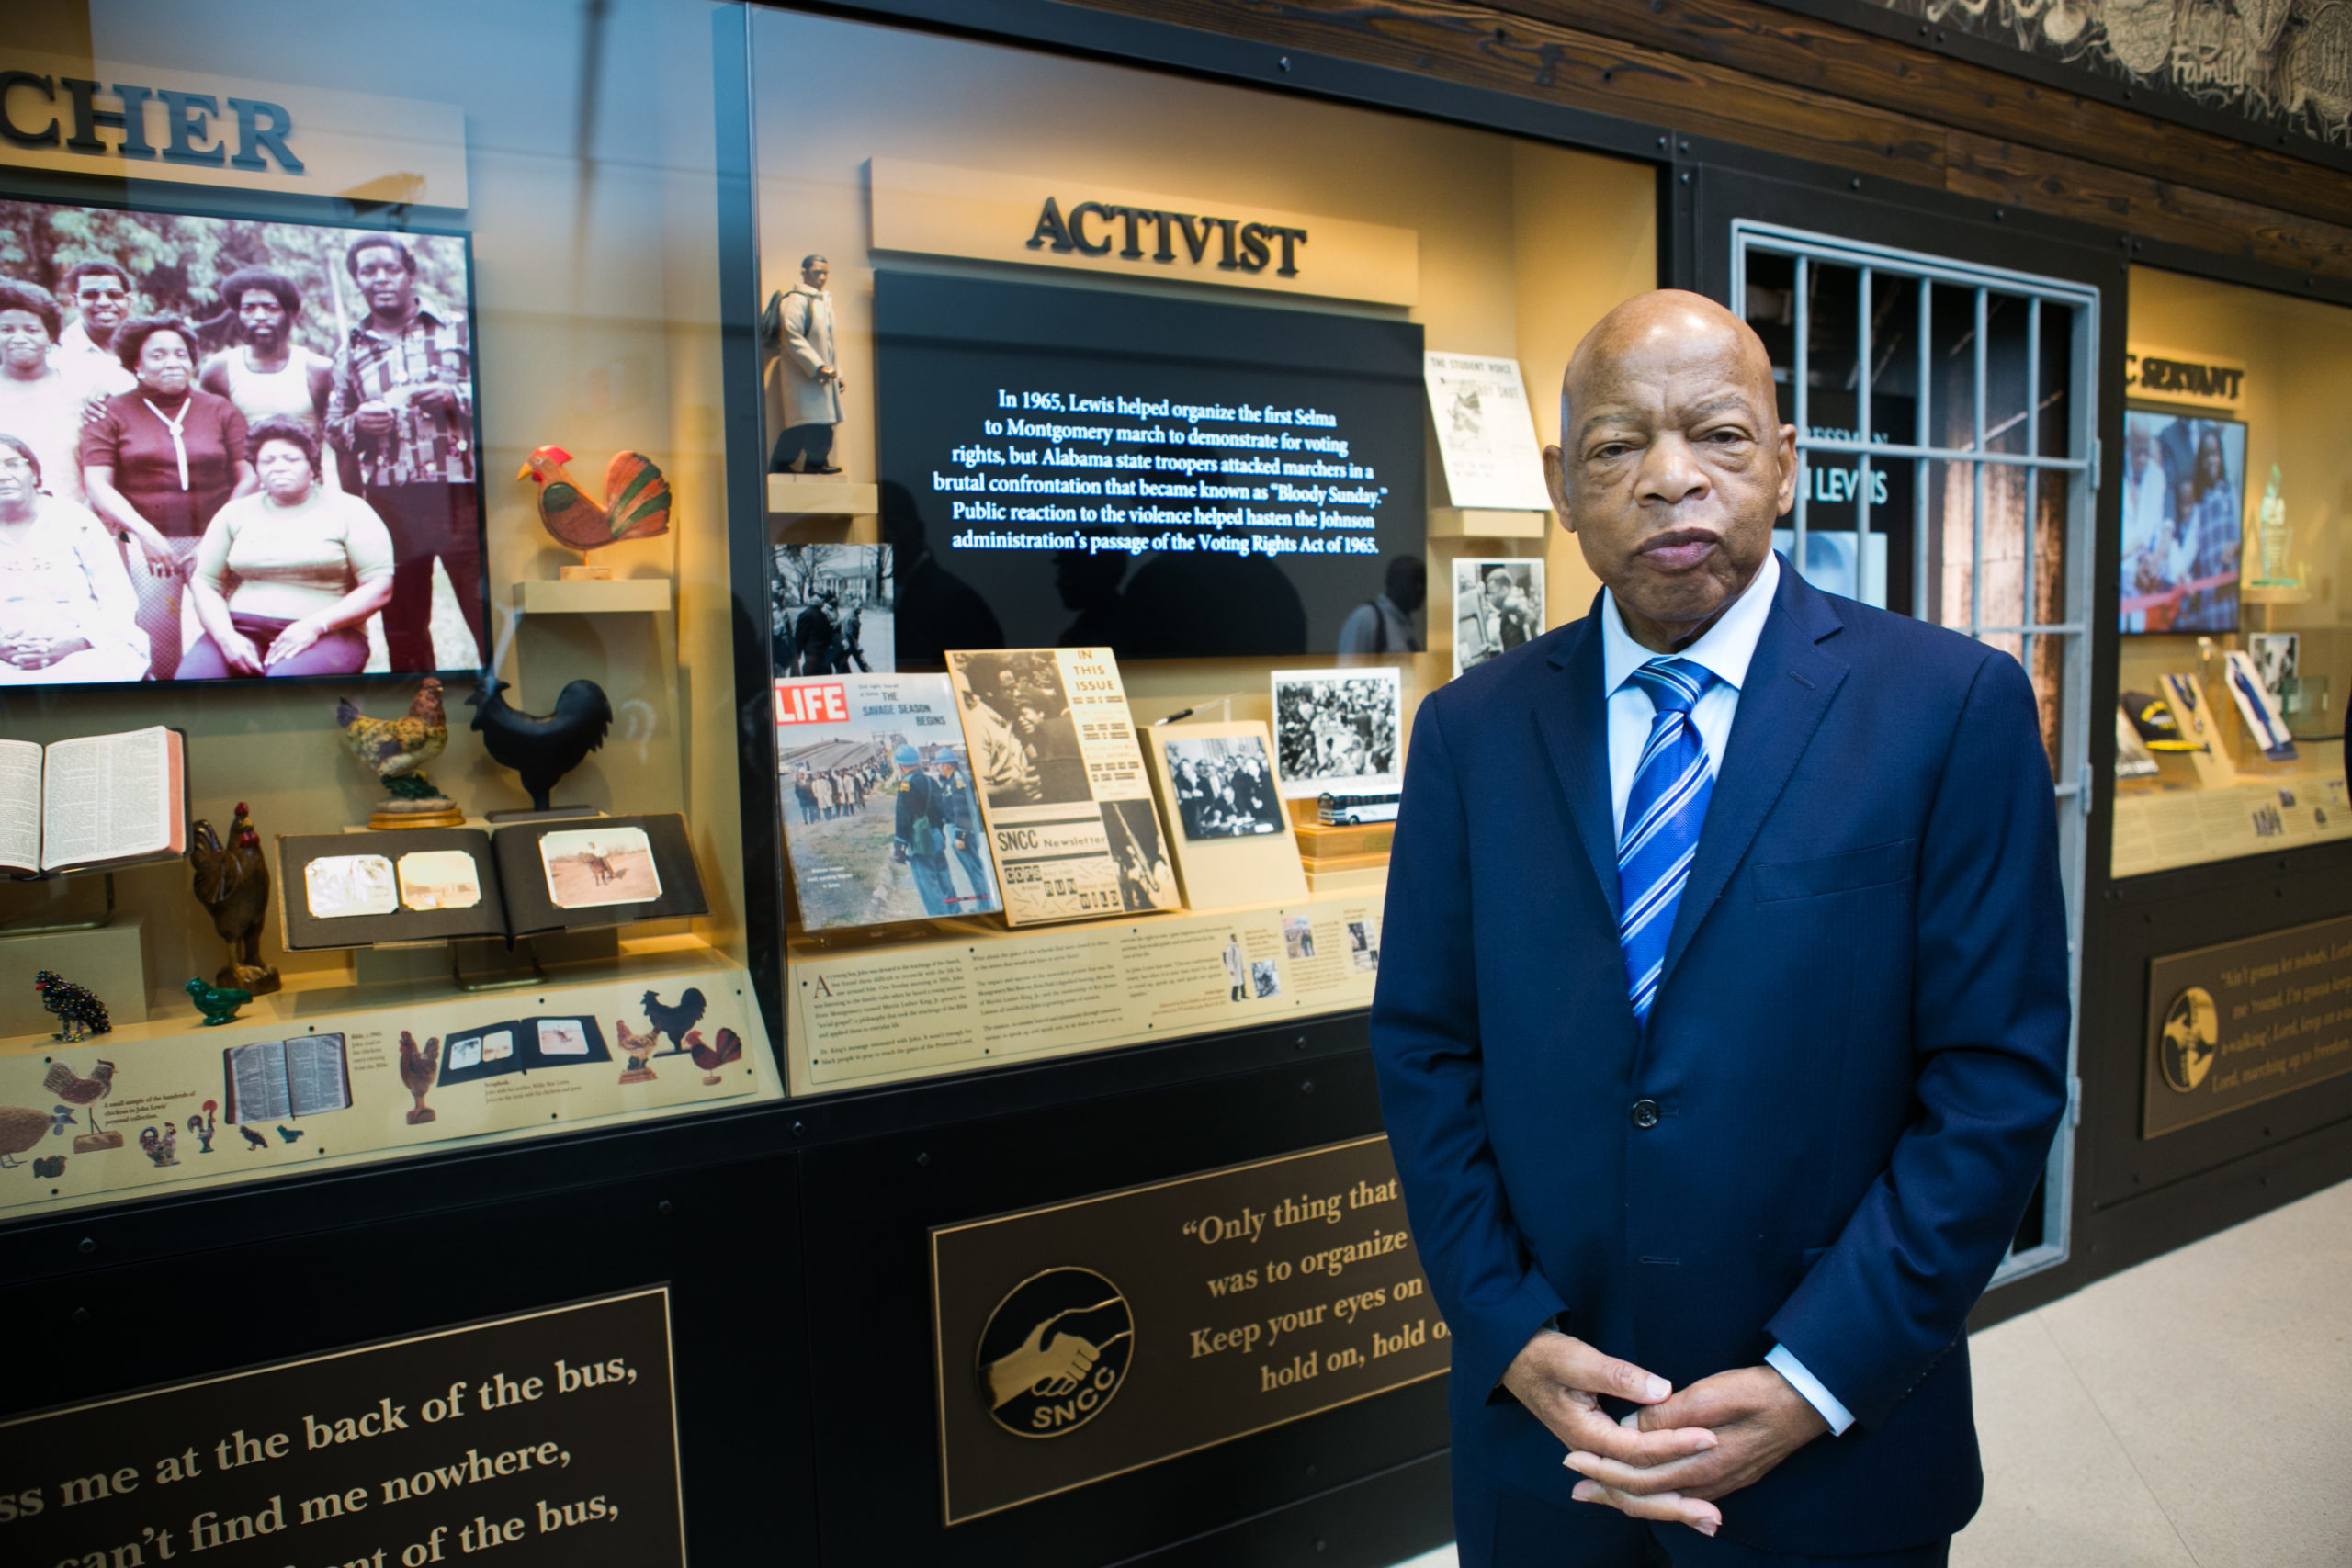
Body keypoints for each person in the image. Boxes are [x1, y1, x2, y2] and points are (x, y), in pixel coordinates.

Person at [1371, 290, 2067, 1566]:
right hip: (1549, 1442)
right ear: (1563, 485)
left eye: (1721, 435)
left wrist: (1819, 1371)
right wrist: (1505, 1325)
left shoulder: (1948, 707)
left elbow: (1996, 1081)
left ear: (1788, 464)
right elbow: (1426, 1048)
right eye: (1616, 444)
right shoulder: (1469, 734)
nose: (1670, 478)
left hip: (1837, 1445)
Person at [326, 233, 485, 673]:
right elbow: (333, 429)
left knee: (485, 610)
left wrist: (457, 396)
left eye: (390, 268)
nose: (380, 279)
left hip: (463, 495)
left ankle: (505, 707)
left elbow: (509, 394)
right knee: (405, 623)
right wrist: (358, 424)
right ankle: (420, 720)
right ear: (357, 281)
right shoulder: (351, 352)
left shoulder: (459, 329)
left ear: (410, 273)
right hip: (392, 504)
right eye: (367, 271)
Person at [79, 315, 254, 679]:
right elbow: (97, 483)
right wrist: (146, 535)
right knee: (155, 633)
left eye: (180, 353)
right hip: (139, 537)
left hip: (218, 535)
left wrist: (215, 536)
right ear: (136, 364)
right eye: (157, 355)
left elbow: (249, 475)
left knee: (237, 627)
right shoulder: (109, 411)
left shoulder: (219, 408)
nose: (172, 362)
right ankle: (164, 707)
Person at [179, 417, 393, 678]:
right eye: (267, 461)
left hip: (328, 632)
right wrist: (225, 637)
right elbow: (205, 581)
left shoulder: (350, 510)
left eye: (291, 459)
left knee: (283, 684)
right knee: (193, 682)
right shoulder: (235, 513)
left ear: (312, 467)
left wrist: (315, 626)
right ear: (256, 469)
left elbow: (379, 586)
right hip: (240, 629)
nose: (278, 467)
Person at [0, 434, 147, 683]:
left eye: (13, 464)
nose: (3, 475)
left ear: (35, 474)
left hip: (83, 650)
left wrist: (79, 642)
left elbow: (118, 600)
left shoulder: (75, 520)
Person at [198, 267, 335, 478]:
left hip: (305, 487)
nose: (260, 316)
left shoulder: (317, 369)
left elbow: (335, 441)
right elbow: (210, 440)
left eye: (271, 308)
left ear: (289, 313)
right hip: (243, 489)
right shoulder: (219, 370)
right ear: (238, 314)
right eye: (249, 309)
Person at [0, 280, 89, 504]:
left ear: (50, 337)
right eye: (6, 330)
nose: (19, 339)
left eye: (31, 330)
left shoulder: (81, 390)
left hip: (73, 517)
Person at [771, 254, 843, 474]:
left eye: (825, 273)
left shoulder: (822, 302)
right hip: (805, 377)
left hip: (822, 378)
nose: (821, 278)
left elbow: (831, 346)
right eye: (816, 272)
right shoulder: (797, 300)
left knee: (822, 423)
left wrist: (838, 375)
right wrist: (817, 366)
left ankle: (816, 462)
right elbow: (792, 337)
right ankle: (782, 464)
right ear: (804, 272)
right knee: (802, 424)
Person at [51, 261, 137, 400]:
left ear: (129, 302)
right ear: (75, 302)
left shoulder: (147, 344)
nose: (104, 303)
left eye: (114, 295)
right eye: (91, 295)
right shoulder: (58, 353)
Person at [890, 743, 956, 918]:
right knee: (944, 880)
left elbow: (903, 816)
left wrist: (900, 846)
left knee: (928, 885)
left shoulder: (905, 784)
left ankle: (942, 920)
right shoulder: (931, 781)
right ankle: (955, 913)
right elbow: (943, 810)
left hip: (920, 841)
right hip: (936, 837)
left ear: (900, 765)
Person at [1338, 553, 1425, 654]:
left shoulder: (1406, 624)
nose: (1420, 589)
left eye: (1423, 583)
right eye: (1413, 581)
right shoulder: (1365, 618)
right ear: (1392, 583)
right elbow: (1349, 667)